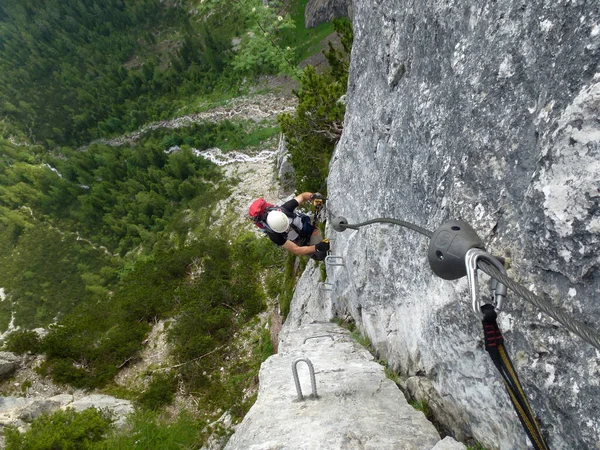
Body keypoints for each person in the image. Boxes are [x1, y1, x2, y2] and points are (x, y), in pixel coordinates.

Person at [251, 192, 330, 260]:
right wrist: (317, 247)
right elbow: (296, 250)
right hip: (304, 242)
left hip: (309, 226)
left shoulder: (285, 208)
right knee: (322, 254)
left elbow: (302, 196)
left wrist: (312, 197)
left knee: (318, 196)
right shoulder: (274, 235)